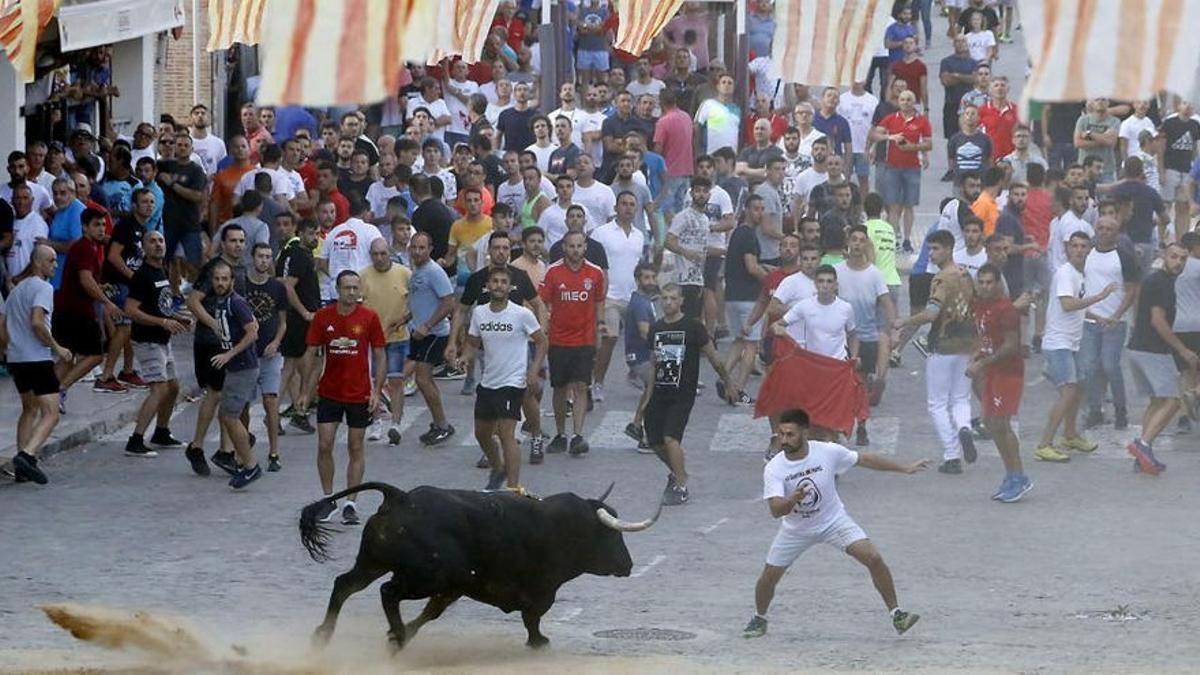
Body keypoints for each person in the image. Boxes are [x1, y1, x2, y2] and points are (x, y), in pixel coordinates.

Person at [741, 408, 925, 639]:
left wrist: (904, 468)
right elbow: (776, 511)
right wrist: (792, 500)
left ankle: (897, 614)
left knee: (874, 558)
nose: (784, 440)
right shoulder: (774, 468)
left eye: (790, 434)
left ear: (805, 433)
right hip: (796, 530)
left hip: (833, 521)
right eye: (781, 434)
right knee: (769, 577)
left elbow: (865, 459)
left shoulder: (827, 452)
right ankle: (759, 618)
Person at [302, 270, 386, 524]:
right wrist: (306, 391)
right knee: (324, 444)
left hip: (359, 393)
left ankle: (351, 502)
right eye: (347, 288)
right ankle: (328, 499)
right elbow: (312, 354)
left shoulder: (369, 318)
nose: (351, 293)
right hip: (329, 391)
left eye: (355, 288)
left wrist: (376, 391)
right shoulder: (323, 317)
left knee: (355, 446)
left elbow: (380, 355)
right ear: (337, 290)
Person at [455, 266, 548, 492]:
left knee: (507, 434)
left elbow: (542, 341)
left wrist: (533, 371)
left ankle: (513, 489)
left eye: (503, 282)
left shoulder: (521, 314)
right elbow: (474, 343)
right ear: (487, 286)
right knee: (482, 434)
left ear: (510, 287)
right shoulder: (479, 313)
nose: (498, 285)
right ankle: (498, 469)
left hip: (513, 382)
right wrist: (465, 358)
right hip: (488, 382)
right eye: (494, 281)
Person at [645, 283, 737, 505]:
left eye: (673, 298)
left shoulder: (693, 326)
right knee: (655, 442)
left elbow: (714, 358)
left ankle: (681, 484)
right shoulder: (656, 328)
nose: (668, 302)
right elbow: (653, 366)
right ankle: (677, 472)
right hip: (659, 392)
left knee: (670, 438)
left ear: (681, 301)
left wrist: (729, 383)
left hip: (682, 394)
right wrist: (642, 406)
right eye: (664, 298)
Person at [894, 230, 977, 474]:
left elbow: (931, 313)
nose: (931, 253)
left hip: (942, 344)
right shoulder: (966, 275)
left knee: (938, 403)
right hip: (966, 343)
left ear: (949, 249)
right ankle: (964, 427)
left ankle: (952, 455)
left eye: (936, 249)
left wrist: (904, 322)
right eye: (930, 249)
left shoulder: (942, 279)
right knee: (961, 398)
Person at [1034, 231, 1115, 463]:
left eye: (1083, 246)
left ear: (1089, 249)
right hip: (1058, 344)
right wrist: (1099, 297)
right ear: (1068, 249)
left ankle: (1070, 435)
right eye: (1075, 246)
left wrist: (1097, 317)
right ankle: (1044, 444)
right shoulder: (1065, 273)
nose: (1079, 250)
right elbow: (1068, 304)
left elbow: (1076, 307)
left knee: (1077, 389)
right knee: (1068, 391)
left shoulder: (1079, 275)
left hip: (1071, 342)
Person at [1126, 242, 1196, 475]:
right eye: (1174, 257)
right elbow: (1158, 321)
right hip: (1152, 350)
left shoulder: (1156, 280)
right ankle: (1142, 445)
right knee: (1173, 401)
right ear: (1165, 256)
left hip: (1138, 347)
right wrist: (1182, 350)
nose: (1178, 262)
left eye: (1183, 259)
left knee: (1157, 402)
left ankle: (1143, 457)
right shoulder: (1162, 283)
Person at [5, 245, 70, 485]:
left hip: (17, 358)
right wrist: (57, 348)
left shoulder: (16, 291)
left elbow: (3, 327)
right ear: (37, 263)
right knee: (51, 413)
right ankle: (27, 455)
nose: (55, 265)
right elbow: (37, 322)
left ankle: (21, 468)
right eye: (51, 261)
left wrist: (7, 350)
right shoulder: (43, 288)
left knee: (29, 409)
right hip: (37, 358)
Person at [185, 224, 248, 474]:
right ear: (223, 243)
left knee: (227, 394)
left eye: (242, 241)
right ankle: (198, 445)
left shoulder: (240, 268)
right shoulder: (214, 269)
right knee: (216, 393)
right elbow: (192, 301)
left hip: (230, 343)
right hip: (210, 342)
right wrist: (214, 324)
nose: (238, 245)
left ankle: (225, 451)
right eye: (233, 240)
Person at [967, 263, 1033, 502]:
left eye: (989, 282)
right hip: (992, 370)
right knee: (991, 423)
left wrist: (982, 364)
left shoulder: (1006, 310)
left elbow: (1010, 345)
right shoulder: (980, 306)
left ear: (997, 283)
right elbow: (984, 336)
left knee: (1001, 424)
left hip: (1007, 372)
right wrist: (977, 355)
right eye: (981, 282)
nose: (984, 287)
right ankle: (1010, 473)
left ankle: (1019, 476)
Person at [539, 230, 606, 456]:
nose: (575, 250)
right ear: (564, 247)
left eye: (579, 246)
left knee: (580, 386)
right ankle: (560, 434)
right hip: (558, 340)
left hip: (584, 340)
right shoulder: (553, 272)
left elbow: (599, 302)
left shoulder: (595, 273)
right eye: (571, 246)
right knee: (559, 388)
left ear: (585, 247)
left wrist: (600, 329)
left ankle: (578, 436)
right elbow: (543, 303)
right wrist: (543, 331)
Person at [123, 232, 188, 463]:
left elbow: (161, 305)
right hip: (147, 340)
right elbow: (131, 310)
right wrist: (162, 322)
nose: (158, 244)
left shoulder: (162, 271)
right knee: (159, 389)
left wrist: (178, 317)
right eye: (153, 241)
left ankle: (161, 431)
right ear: (143, 247)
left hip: (163, 340)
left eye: (161, 240)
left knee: (173, 387)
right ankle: (136, 439)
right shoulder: (142, 276)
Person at [204, 260, 263, 489]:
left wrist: (229, 355)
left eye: (224, 279)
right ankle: (244, 459)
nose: (220, 283)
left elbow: (252, 333)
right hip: (235, 368)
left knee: (229, 416)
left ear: (232, 281)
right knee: (228, 415)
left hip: (243, 367)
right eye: (217, 279)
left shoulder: (236, 303)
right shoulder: (222, 302)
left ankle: (250, 465)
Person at [838, 226, 897, 446]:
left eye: (862, 240)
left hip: (867, 339)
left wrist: (894, 329)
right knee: (842, 386)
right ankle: (842, 426)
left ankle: (861, 425)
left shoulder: (874, 274)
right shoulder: (837, 271)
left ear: (866, 245)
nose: (857, 244)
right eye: (853, 239)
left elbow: (886, 302)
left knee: (860, 384)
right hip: (841, 338)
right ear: (848, 242)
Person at [1080, 217, 1140, 431]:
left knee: (1110, 365)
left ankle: (1120, 409)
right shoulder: (1087, 253)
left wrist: (1118, 314)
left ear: (1117, 232)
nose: (1104, 232)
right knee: (1089, 367)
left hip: (1115, 321)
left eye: (1109, 229)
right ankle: (1095, 410)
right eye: (1101, 228)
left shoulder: (1124, 256)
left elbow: (1132, 289)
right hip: (1090, 319)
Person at [52, 208, 116, 405]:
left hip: (71, 310)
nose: (101, 229)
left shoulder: (92, 247)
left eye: (103, 225)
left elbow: (87, 280)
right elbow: (85, 279)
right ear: (84, 227)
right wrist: (106, 301)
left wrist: (101, 287)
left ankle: (47, 394)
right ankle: (60, 389)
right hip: (76, 312)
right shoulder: (85, 248)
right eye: (96, 225)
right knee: (95, 355)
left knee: (67, 357)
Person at [591, 192, 646, 400]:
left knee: (644, 336)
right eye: (624, 204)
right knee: (610, 337)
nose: (628, 208)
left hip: (633, 295)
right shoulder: (601, 232)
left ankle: (635, 372)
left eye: (632, 204)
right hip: (609, 295)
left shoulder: (639, 235)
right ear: (616, 207)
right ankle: (598, 383)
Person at [358, 238, 413, 446]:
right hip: (373, 340)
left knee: (396, 381)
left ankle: (396, 424)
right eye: (375, 254)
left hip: (397, 337)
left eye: (383, 254)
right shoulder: (363, 276)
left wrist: (404, 320)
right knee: (373, 383)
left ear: (389, 253)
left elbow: (414, 303)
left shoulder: (404, 273)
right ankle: (376, 420)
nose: (379, 258)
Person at [407, 231, 457, 445]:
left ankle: (443, 425)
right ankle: (439, 423)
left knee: (422, 379)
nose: (417, 252)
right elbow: (421, 301)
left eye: (422, 248)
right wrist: (405, 318)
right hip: (418, 332)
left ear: (430, 249)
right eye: (414, 247)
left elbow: (448, 302)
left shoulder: (434, 272)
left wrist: (427, 325)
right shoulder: (416, 271)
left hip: (435, 334)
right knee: (425, 381)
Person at [244, 243, 289, 472]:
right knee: (243, 404)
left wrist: (276, 342)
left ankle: (274, 452)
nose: (264, 261)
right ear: (253, 258)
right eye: (260, 256)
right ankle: (243, 450)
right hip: (247, 354)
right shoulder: (242, 284)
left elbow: (282, 322)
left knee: (271, 401)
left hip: (270, 354)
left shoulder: (277, 288)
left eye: (268, 257)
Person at [871, 90, 932, 252]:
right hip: (892, 167)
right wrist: (890, 137)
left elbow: (928, 144)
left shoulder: (922, 121)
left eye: (909, 99)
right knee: (893, 205)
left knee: (909, 205)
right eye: (903, 99)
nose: (906, 102)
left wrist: (912, 147)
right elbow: (875, 134)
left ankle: (907, 239)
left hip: (912, 168)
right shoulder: (890, 119)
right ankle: (893, 239)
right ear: (898, 102)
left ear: (914, 102)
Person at [722, 194, 768, 404]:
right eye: (756, 208)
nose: (760, 213)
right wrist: (770, 281)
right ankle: (739, 388)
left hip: (731, 295)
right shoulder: (749, 235)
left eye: (762, 209)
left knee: (738, 340)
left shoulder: (737, 234)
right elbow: (751, 266)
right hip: (749, 297)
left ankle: (723, 378)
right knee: (751, 344)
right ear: (747, 210)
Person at [278, 218, 321, 433]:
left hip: (297, 318)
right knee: (305, 366)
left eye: (317, 233)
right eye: (312, 233)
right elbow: (288, 286)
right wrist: (304, 312)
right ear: (301, 233)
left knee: (292, 367)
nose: (315, 238)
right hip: (301, 320)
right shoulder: (300, 256)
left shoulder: (295, 254)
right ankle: (292, 410)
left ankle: (297, 410)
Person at [665, 177, 714, 319]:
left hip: (697, 277)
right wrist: (686, 252)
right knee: (686, 319)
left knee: (696, 319)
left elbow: (703, 250)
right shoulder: (683, 216)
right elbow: (668, 241)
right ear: (692, 193)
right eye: (698, 191)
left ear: (709, 195)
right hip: (683, 277)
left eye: (705, 191)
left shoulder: (705, 219)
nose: (701, 194)